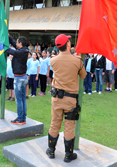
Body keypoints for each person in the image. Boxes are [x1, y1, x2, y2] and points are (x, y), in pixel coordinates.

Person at [46, 34, 87, 163]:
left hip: (57, 98)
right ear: (68, 44)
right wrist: (79, 60)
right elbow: (83, 76)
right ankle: (68, 155)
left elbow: (59, 60)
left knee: (55, 123)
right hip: (70, 100)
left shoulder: (53, 60)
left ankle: (51, 151)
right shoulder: (77, 61)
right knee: (69, 126)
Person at [5, 35, 29, 125]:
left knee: (19, 100)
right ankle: (23, 117)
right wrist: (9, 37)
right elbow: (15, 44)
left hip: (19, 79)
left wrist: (2, 44)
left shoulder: (19, 52)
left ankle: (20, 119)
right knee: (23, 99)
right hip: (24, 77)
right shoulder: (24, 50)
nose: (16, 43)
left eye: (18, 42)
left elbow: (8, 50)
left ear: (21, 44)